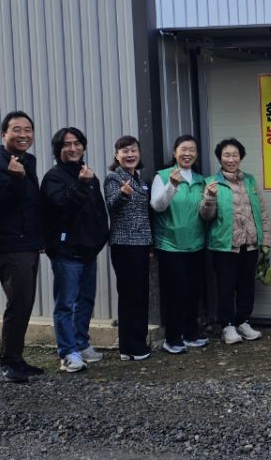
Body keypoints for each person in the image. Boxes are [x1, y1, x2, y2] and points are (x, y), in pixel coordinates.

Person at [41, 127, 110, 373]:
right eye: (67, 144)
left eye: (77, 143)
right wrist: (81, 184)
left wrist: (100, 239)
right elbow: (61, 205)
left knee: (86, 301)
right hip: (66, 252)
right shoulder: (54, 177)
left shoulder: (90, 176)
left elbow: (99, 212)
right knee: (65, 304)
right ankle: (67, 352)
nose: (73, 148)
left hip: (89, 251)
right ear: (59, 149)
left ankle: (81, 344)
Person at [0, 110, 47, 383]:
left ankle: (16, 358)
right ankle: (6, 363)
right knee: (18, 302)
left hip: (28, 243)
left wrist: (40, 239)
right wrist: (16, 179)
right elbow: (0, 205)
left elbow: (31, 205)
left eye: (28, 130)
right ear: (3, 135)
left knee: (25, 302)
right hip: (9, 245)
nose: (23, 135)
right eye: (16, 130)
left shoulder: (26, 161)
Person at [199, 138, 271, 345]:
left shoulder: (250, 181)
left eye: (235, 155)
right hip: (224, 245)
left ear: (241, 157)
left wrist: (265, 239)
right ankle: (227, 326)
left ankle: (243, 322)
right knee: (226, 287)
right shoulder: (211, 182)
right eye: (226, 155)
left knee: (247, 286)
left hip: (250, 244)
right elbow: (205, 216)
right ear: (220, 158)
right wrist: (210, 197)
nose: (231, 159)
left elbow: (261, 212)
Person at [150, 135, 209, 354]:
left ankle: (190, 333)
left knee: (193, 290)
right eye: (183, 149)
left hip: (196, 243)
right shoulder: (163, 176)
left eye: (192, 150)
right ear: (175, 152)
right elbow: (157, 206)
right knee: (176, 291)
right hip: (171, 244)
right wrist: (172, 186)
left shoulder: (201, 180)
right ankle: (172, 337)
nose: (188, 153)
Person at [103, 135, 154, 361]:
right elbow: (112, 205)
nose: (130, 154)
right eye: (125, 151)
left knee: (140, 294)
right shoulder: (114, 179)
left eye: (133, 150)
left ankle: (134, 344)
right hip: (124, 244)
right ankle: (131, 346)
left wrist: (150, 244)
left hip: (142, 245)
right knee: (130, 295)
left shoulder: (141, 180)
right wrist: (123, 195)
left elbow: (146, 215)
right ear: (117, 156)